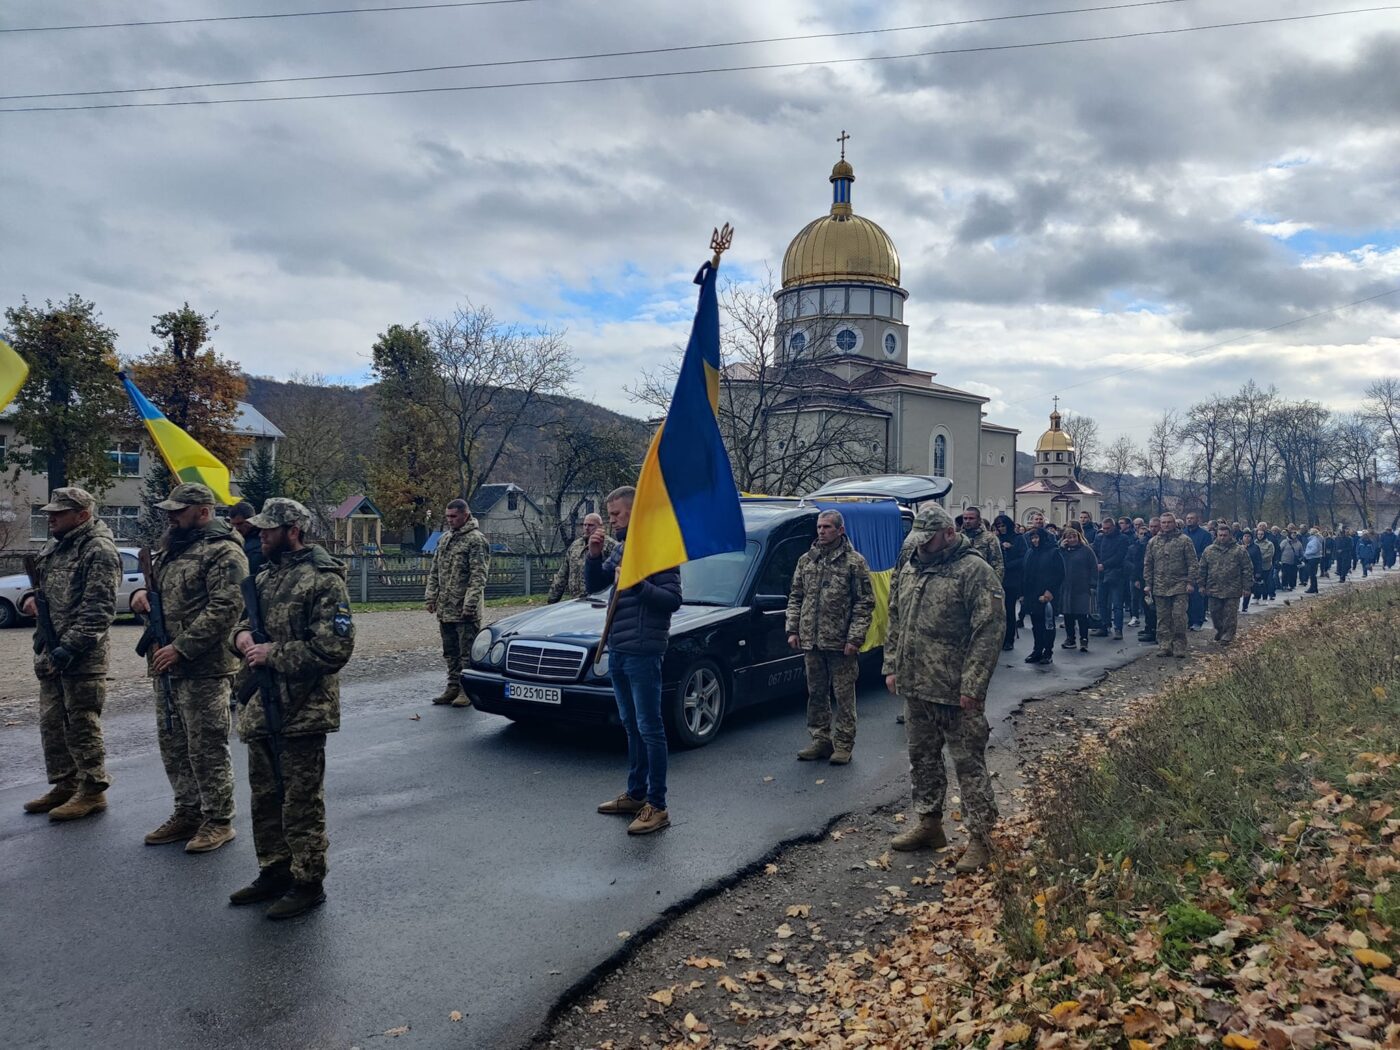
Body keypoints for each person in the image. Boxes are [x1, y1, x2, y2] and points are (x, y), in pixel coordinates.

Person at [228, 498, 355, 920]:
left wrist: (272, 653)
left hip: (303, 709)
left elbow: (335, 648)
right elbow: (242, 624)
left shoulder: (324, 579)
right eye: (260, 529)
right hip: (261, 707)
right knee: (265, 797)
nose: (260, 535)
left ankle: (307, 881)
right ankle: (274, 870)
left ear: (293, 530)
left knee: (300, 800)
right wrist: (242, 640)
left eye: (268, 529)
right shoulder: (264, 577)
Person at [130, 483, 249, 853]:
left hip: (204, 666)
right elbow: (162, 595)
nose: (171, 516)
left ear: (203, 511)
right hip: (165, 663)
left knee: (206, 745)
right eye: (170, 510)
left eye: (178, 511)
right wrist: (141, 597)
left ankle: (218, 819)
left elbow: (226, 608)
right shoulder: (172, 548)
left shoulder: (224, 551)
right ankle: (187, 810)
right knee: (174, 743)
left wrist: (182, 647)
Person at [883, 506, 1003, 870]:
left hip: (955, 689)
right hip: (916, 683)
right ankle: (929, 824)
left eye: (927, 540)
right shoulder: (911, 566)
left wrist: (973, 685)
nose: (920, 547)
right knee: (922, 758)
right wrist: (892, 665)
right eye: (916, 541)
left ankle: (982, 839)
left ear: (949, 534)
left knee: (968, 765)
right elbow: (895, 617)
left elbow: (990, 630)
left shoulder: (974, 570)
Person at [19, 488, 121, 821]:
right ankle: (66, 783)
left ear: (82, 514)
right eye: (50, 512)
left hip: (82, 656)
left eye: (58, 513)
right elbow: (44, 592)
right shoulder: (55, 547)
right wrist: (29, 602)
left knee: (81, 723)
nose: (50, 518)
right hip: (51, 652)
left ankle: (92, 790)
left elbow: (99, 609)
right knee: (52, 723)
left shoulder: (98, 550)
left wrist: (71, 647)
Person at [587, 486, 682, 835]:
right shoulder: (626, 548)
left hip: (645, 651)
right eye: (609, 515)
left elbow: (673, 599)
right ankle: (636, 792)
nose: (610, 522)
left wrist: (638, 584)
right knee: (630, 724)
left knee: (650, 727)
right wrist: (594, 556)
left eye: (616, 515)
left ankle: (658, 805)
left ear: (635, 513)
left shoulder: (659, 551)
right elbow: (595, 584)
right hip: (620, 648)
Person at [785, 510, 875, 765]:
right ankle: (820, 740)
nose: (822, 531)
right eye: (819, 527)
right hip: (811, 640)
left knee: (844, 696)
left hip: (840, 642)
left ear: (840, 530)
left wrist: (855, 638)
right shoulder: (807, 560)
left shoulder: (853, 562)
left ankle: (844, 744)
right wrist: (793, 629)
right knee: (816, 693)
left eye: (827, 527)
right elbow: (795, 596)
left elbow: (864, 603)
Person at [424, 499, 490, 707]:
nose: (450, 520)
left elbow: (478, 575)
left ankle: (466, 690)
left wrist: (470, 604)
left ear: (466, 515)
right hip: (446, 607)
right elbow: (435, 570)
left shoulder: (476, 540)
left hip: (464, 609)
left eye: (454, 516)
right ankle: (452, 686)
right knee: (450, 651)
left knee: (466, 652)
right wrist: (431, 596)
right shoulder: (444, 539)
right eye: (447, 517)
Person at [1143, 511, 1199, 659]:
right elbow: (1148, 564)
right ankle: (1164, 645)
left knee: (1179, 617)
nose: (1166, 525)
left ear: (1174, 523)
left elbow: (1193, 563)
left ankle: (1179, 645)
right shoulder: (1153, 542)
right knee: (1162, 618)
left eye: (1169, 522)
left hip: (1179, 585)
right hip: (1160, 586)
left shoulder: (1184, 540)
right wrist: (1148, 584)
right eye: (1164, 522)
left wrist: (1190, 582)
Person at [1199, 524, 1253, 644]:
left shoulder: (1239, 550)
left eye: (1225, 535)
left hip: (1232, 588)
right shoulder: (1209, 550)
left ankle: (1228, 634)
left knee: (1230, 614)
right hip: (1213, 588)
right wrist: (1201, 585)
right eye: (1220, 535)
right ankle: (1220, 629)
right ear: (1217, 536)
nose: (1222, 538)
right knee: (1215, 613)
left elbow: (1247, 569)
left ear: (1230, 536)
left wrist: (1247, 587)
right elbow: (1202, 568)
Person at [546, 512, 616, 604]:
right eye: (584, 525)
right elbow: (563, 574)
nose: (587, 528)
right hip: (576, 601)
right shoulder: (575, 546)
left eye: (591, 525)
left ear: (600, 526)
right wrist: (552, 600)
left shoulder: (610, 546)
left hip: (599, 602)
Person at [1021, 526, 1064, 665]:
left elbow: (1059, 574)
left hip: (1047, 594)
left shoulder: (1053, 552)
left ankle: (1048, 652)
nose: (1034, 540)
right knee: (1036, 624)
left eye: (1037, 537)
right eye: (1032, 538)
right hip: (1032, 594)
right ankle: (1037, 650)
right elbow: (1025, 573)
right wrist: (1023, 593)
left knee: (1047, 625)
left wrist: (1049, 591)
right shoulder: (1030, 552)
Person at [1057, 526, 1098, 652]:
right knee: (1068, 615)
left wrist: (1092, 584)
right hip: (1066, 587)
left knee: (1081, 615)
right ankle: (1070, 638)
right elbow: (1055, 563)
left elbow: (1093, 567)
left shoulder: (1086, 550)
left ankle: (1084, 639)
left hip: (1082, 586)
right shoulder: (1062, 551)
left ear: (1078, 537)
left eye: (1074, 536)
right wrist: (1061, 548)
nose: (1072, 539)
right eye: (1069, 537)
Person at [1091, 517, 1130, 640]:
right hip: (1101, 574)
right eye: (1104, 528)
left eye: (1108, 528)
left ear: (1114, 527)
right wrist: (1097, 563)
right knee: (1101, 602)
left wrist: (1105, 564)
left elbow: (1120, 556)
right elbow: (1094, 552)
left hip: (1116, 573)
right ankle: (1104, 625)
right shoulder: (1099, 538)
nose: (1106, 531)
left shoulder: (1122, 539)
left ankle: (1118, 628)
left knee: (1117, 603)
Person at [993, 514, 1025, 651]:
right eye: (999, 526)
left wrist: (1009, 562)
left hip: (1011, 579)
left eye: (1003, 525)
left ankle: (1009, 639)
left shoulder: (1018, 539)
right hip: (997, 579)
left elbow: (1024, 557)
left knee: (1009, 610)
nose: (1001, 528)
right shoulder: (996, 539)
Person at [1181, 513, 1211, 630]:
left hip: (1199, 569)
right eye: (1187, 518)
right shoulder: (1182, 534)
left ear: (1197, 520)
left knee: (1197, 597)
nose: (1189, 520)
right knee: (1185, 596)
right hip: (1184, 570)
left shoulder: (1205, 535)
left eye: (1191, 518)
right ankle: (1188, 620)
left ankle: (1198, 621)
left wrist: (1191, 558)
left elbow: (1206, 552)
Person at [958, 506, 1004, 581]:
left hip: (982, 582)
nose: (967, 521)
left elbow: (998, 565)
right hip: (962, 582)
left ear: (979, 520)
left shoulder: (989, 538)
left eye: (971, 518)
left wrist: (994, 585)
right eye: (965, 518)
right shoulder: (959, 537)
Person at [229, 501, 265, 577]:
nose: (236, 528)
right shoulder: (232, 539)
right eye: (233, 524)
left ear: (251, 521)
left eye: (240, 524)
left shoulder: (263, 540)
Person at [1238, 530, 1263, 613]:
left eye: (1248, 536)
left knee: (1247, 588)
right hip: (1238, 571)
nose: (1246, 538)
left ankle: (1245, 606)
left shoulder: (1255, 547)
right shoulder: (1238, 547)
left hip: (1250, 571)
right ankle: (1236, 605)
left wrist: (1258, 572)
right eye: (1245, 536)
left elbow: (1259, 560)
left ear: (1251, 538)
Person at [1303, 528, 1323, 593]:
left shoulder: (1314, 540)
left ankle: (1312, 588)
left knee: (1312, 574)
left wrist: (1306, 553)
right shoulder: (1316, 540)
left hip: (1312, 558)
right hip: (1315, 558)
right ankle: (1314, 587)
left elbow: (1314, 549)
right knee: (1313, 574)